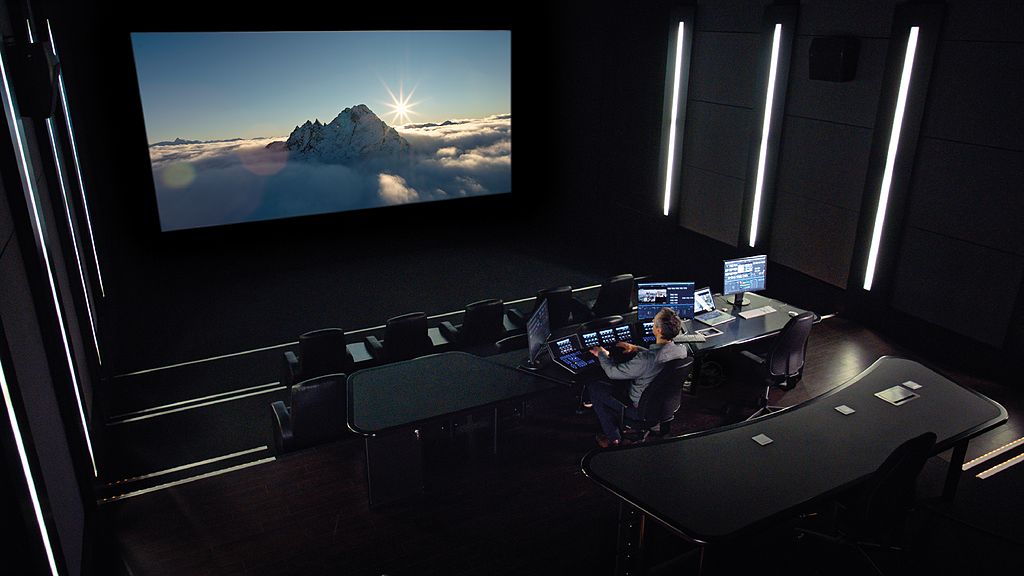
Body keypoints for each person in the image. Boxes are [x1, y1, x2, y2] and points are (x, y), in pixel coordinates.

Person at [587, 307, 688, 447]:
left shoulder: (646, 359)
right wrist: (636, 348)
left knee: (595, 388)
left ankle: (613, 438)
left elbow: (612, 372)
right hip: (666, 405)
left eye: (654, 323)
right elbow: (659, 356)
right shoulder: (682, 350)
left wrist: (601, 354)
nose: (652, 323)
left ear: (658, 331)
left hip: (639, 408)